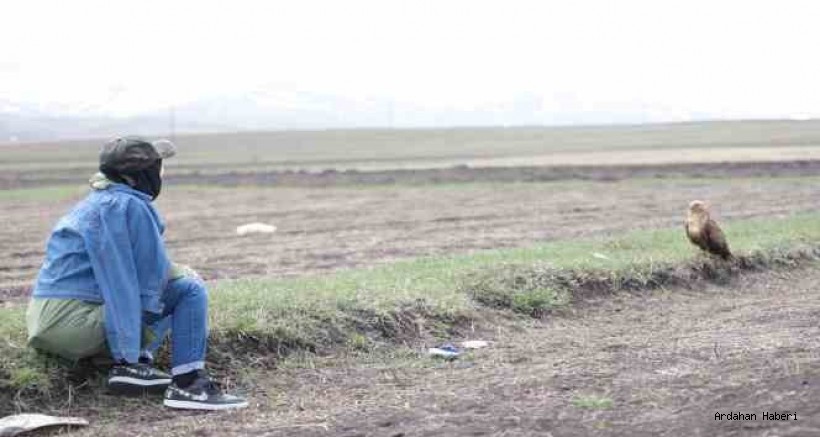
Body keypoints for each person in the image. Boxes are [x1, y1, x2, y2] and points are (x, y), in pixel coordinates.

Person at [26, 136, 247, 411]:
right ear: (139, 175)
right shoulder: (130, 206)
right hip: (76, 323)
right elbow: (151, 276)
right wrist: (183, 273)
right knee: (188, 289)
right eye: (157, 167)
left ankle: (130, 366)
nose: (161, 172)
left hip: (47, 320)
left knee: (153, 290)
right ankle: (189, 385)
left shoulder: (93, 203)